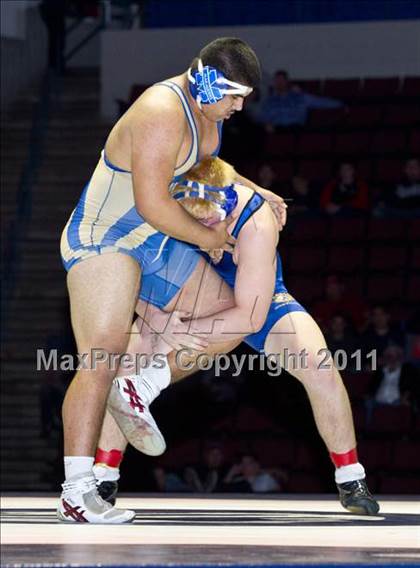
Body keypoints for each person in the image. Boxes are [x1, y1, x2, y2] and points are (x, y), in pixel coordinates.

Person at [58, 37, 287, 523]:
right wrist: (208, 241)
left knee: (241, 314)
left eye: (244, 96)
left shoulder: (208, 115)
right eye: (233, 95)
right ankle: (78, 490)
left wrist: (255, 189)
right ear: (205, 81)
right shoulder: (162, 108)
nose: (239, 107)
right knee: (101, 354)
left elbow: (203, 174)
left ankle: (142, 383)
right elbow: (153, 203)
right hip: (105, 239)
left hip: (149, 242)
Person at [95, 157, 379, 515]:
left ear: (228, 204)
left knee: (320, 367)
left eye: (211, 221)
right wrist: (155, 316)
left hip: (256, 299)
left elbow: (250, 315)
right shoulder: (163, 202)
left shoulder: (256, 222)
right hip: (191, 292)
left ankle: (351, 478)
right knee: (126, 363)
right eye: (193, 223)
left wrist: (185, 329)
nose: (205, 229)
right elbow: (128, 264)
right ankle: (103, 477)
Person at [258, 70, 343, 130]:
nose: (280, 83)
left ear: (287, 81)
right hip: (276, 131)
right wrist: (266, 124)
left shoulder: (299, 97)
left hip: (296, 130)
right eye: (277, 80)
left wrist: (341, 104)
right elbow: (264, 117)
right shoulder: (270, 101)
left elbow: (321, 102)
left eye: (282, 80)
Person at [364, 344, 420, 425]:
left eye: (395, 356)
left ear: (400, 357)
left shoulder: (407, 370)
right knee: (367, 404)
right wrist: (368, 395)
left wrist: (406, 396)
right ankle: (366, 431)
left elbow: (413, 386)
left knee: (407, 407)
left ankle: (404, 434)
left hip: (397, 401)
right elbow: (370, 388)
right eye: (389, 356)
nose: (392, 359)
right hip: (377, 401)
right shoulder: (380, 372)